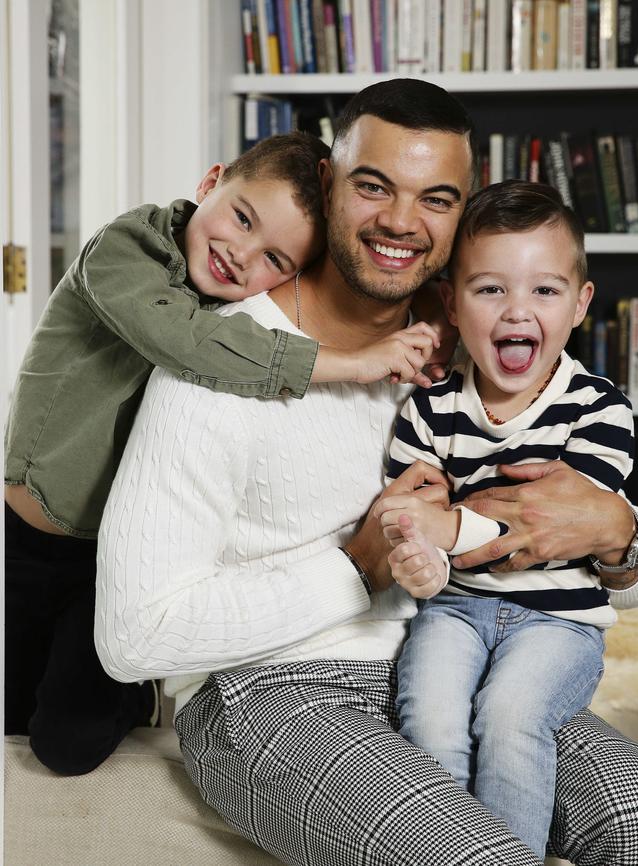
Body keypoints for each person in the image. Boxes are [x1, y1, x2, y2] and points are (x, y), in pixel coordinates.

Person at [95, 80, 638, 866]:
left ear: (465, 218)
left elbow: (573, 542)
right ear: (327, 184)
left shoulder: (479, 336)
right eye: (373, 186)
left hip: (459, 657)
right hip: (274, 692)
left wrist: (624, 531)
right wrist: (356, 566)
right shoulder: (216, 364)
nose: (399, 221)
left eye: (436, 198)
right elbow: (130, 637)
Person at [4, 130, 442, 776]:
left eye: (276, 259)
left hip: (105, 564)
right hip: (21, 538)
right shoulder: (126, 249)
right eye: (241, 218)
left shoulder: (239, 317)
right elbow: (182, 340)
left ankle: (133, 695)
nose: (241, 255)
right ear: (210, 183)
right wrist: (351, 362)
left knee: (65, 745)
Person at [374, 180, 638, 859]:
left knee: (510, 716)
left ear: (581, 304)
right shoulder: (429, 411)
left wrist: (446, 522)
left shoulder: (599, 409)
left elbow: (556, 516)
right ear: (452, 305)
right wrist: (420, 544)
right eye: (491, 290)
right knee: (429, 719)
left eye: (544, 291)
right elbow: (410, 520)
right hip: (453, 613)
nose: (517, 311)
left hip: (558, 623)